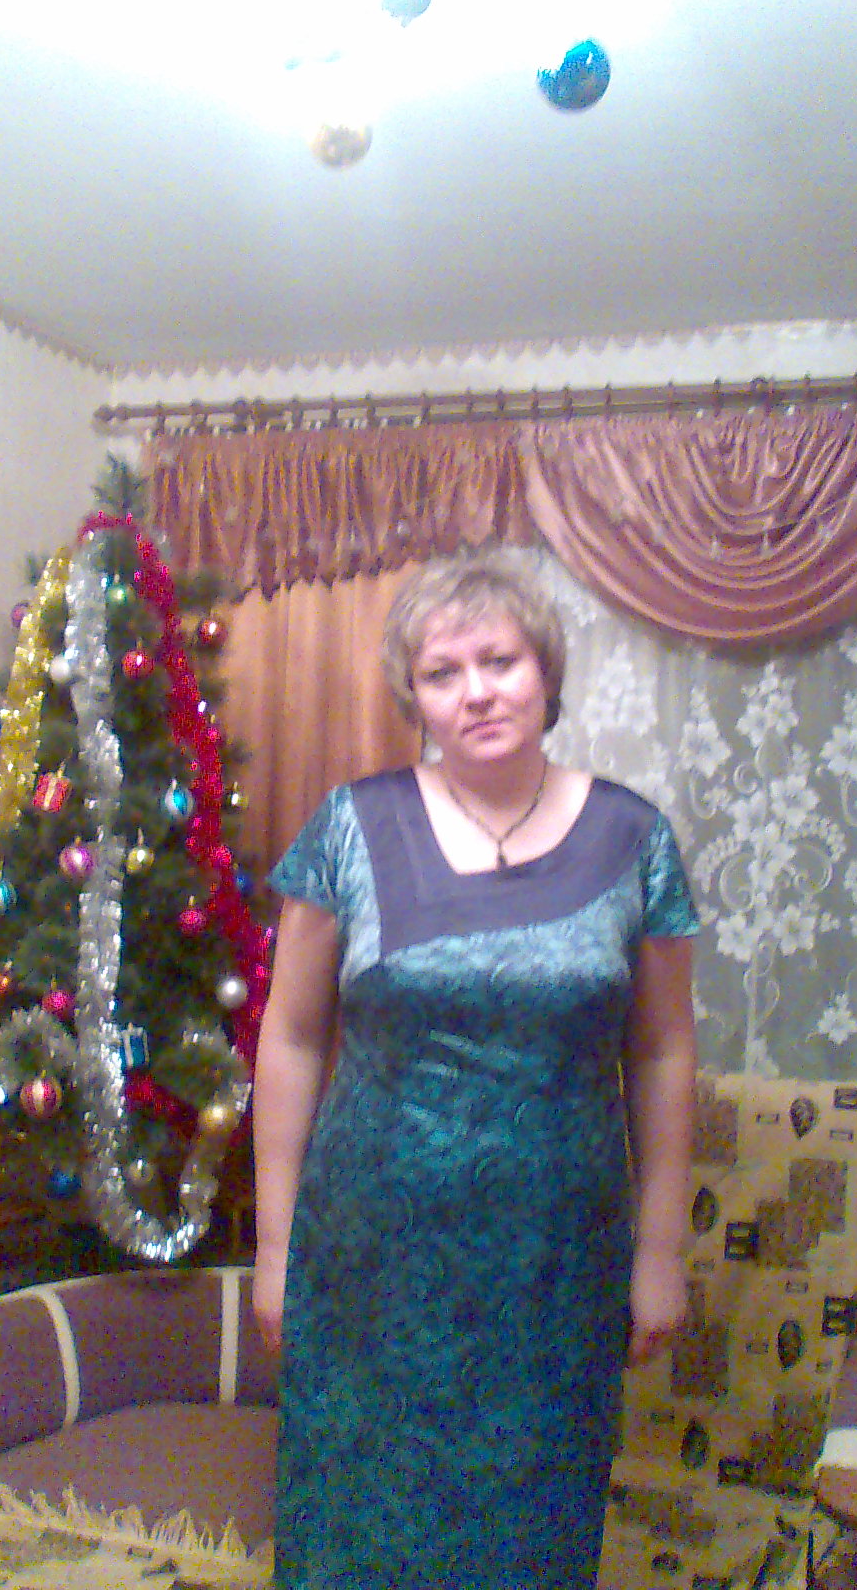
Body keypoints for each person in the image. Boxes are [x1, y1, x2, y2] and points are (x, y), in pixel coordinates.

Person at [252, 549, 700, 1590]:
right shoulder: (350, 827)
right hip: (369, 1258)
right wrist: (277, 1249)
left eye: (499, 661)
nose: (476, 691)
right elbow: (292, 1035)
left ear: (545, 672)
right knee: (358, 1522)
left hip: (554, 1264)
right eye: (442, 672)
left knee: (528, 1527)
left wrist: (661, 1250)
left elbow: (663, 1050)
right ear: (413, 696)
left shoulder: (634, 837)